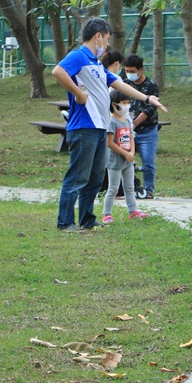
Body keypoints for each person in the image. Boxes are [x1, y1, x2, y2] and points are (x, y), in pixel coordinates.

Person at [52, 18, 168, 232]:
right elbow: (58, 71)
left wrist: (147, 99)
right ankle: (65, 222)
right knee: (78, 177)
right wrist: (79, 94)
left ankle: (87, 219)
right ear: (98, 36)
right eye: (105, 40)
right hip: (83, 128)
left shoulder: (97, 64)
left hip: (99, 129)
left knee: (95, 178)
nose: (106, 45)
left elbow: (120, 84)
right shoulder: (79, 56)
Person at [102, 90, 149, 224]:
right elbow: (110, 142)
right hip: (115, 161)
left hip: (128, 160)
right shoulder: (111, 122)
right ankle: (107, 214)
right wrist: (125, 153)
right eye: (123, 103)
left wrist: (132, 153)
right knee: (113, 188)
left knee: (130, 187)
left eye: (128, 103)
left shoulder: (127, 119)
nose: (126, 106)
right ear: (114, 105)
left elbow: (131, 137)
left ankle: (133, 211)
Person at [123, 54, 160, 199]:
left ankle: (148, 189)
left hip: (146, 130)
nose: (129, 74)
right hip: (126, 130)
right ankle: (126, 187)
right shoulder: (125, 84)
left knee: (148, 162)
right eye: (127, 70)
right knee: (124, 160)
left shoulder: (151, 86)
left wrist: (134, 123)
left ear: (140, 70)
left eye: (132, 71)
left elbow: (149, 109)